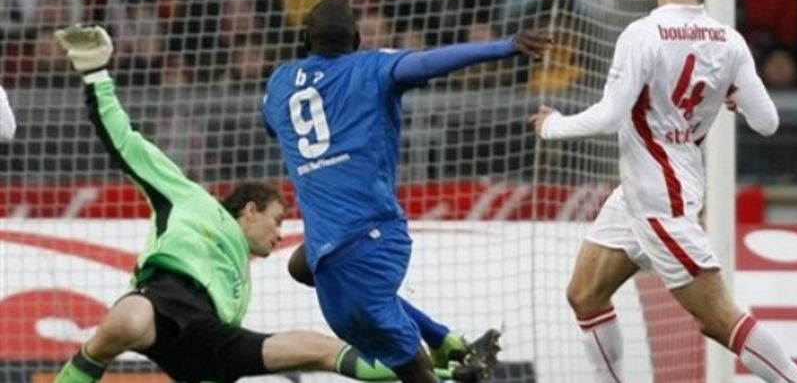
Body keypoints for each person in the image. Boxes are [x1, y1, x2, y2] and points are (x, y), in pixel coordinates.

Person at [52, 25, 486, 383]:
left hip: (209, 342)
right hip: (163, 301)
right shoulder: (187, 199)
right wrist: (96, 75)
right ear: (251, 209)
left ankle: (436, 377)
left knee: (319, 348)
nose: (280, 234)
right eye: (277, 220)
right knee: (126, 322)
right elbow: (126, 143)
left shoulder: (242, 281)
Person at [528, 0, 797, 382]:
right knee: (585, 294)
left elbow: (609, 116)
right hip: (641, 195)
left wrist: (552, 125)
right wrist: (730, 101)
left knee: (719, 321)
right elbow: (767, 123)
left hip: (662, 205)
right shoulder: (729, 41)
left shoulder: (641, 35)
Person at [262, 0, 551, 383]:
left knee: (409, 367)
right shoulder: (374, 67)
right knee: (302, 266)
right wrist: (506, 45)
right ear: (358, 39)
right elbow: (431, 61)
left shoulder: (279, 82)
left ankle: (446, 361)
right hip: (369, 244)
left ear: (303, 39)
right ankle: (446, 344)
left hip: (361, 246)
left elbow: (272, 124)